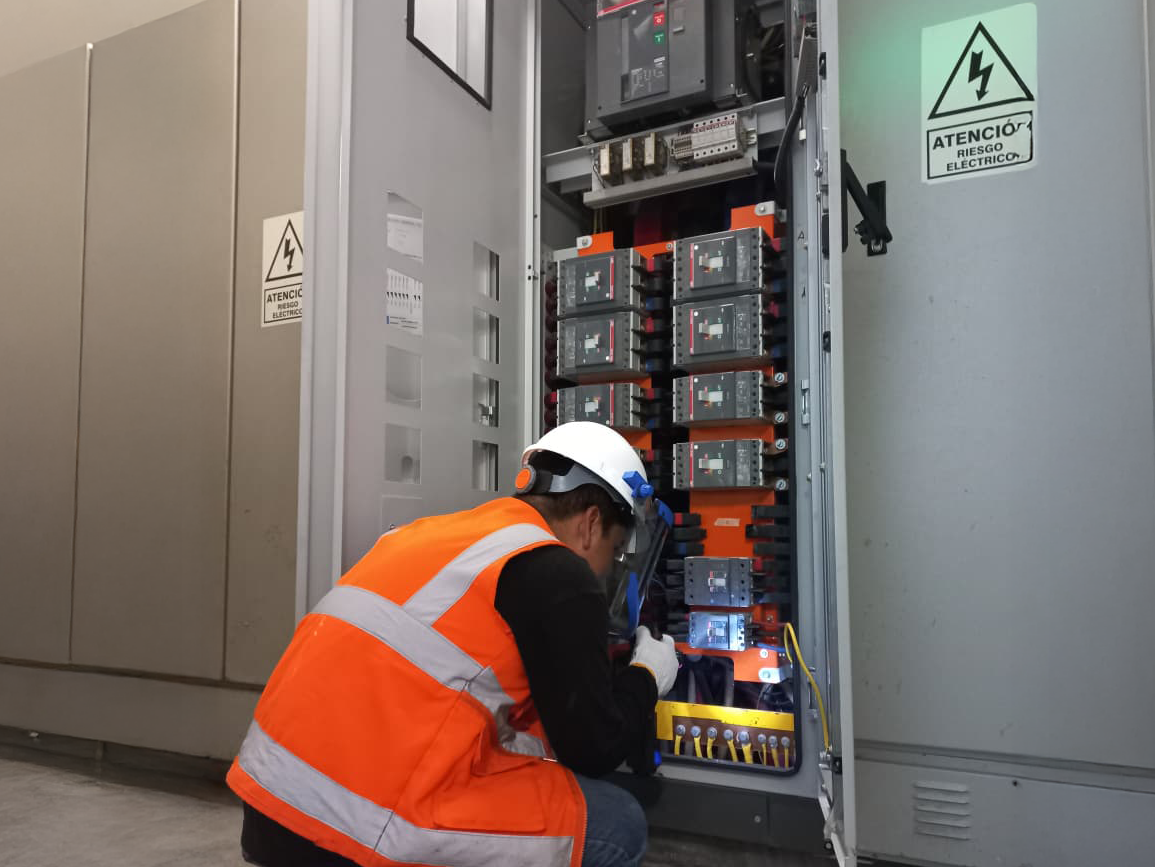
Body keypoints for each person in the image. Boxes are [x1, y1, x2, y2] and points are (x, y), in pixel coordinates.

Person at [229, 421, 681, 867]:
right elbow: (594, 748)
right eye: (614, 550)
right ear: (591, 524)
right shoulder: (560, 572)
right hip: (357, 827)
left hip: (271, 807)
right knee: (616, 823)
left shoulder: (429, 534)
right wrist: (647, 675)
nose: (606, 570)